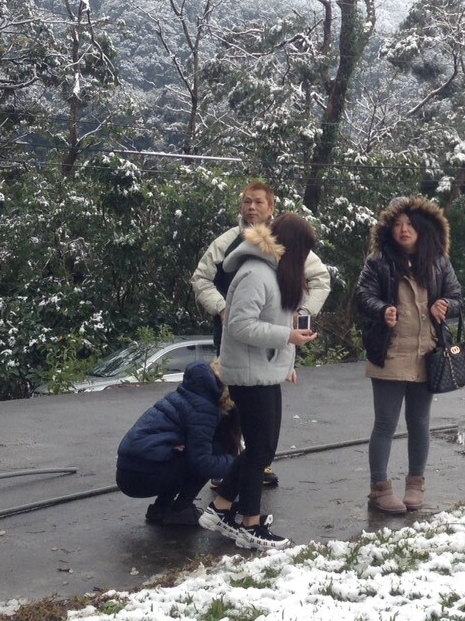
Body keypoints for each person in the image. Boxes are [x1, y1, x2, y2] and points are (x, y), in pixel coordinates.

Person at [190, 180, 330, 487]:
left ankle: (258, 465)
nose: (251, 207)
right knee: (228, 403)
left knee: (263, 411)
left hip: (275, 338)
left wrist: (301, 316)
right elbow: (201, 279)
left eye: (258, 202)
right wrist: (223, 308)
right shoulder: (228, 241)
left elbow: (320, 279)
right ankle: (227, 464)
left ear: (271, 208)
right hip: (232, 336)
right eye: (246, 202)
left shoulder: (287, 241)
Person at [199, 213, 319, 550]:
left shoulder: (270, 273)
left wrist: (288, 334)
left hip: (263, 371)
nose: (305, 261)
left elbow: (264, 321)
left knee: (261, 447)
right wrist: (288, 335)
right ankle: (250, 523)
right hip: (249, 374)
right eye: (304, 252)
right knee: (260, 450)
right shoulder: (256, 273)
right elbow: (238, 325)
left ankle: (221, 508)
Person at [355, 196, 462, 515]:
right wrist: (382, 310)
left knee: (419, 423)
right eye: (397, 224)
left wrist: (445, 305)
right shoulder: (378, 261)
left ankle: (415, 484)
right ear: (389, 230)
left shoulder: (439, 262)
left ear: (423, 228)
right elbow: (362, 298)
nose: (403, 229)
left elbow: (457, 297)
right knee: (385, 423)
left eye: (410, 224)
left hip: (427, 353)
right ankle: (379, 489)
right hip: (389, 353)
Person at [115, 360, 238, 526]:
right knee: (211, 453)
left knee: (185, 453)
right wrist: (240, 463)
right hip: (142, 476)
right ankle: (181, 510)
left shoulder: (188, 393)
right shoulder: (204, 409)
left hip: (128, 472)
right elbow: (202, 463)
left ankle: (161, 508)